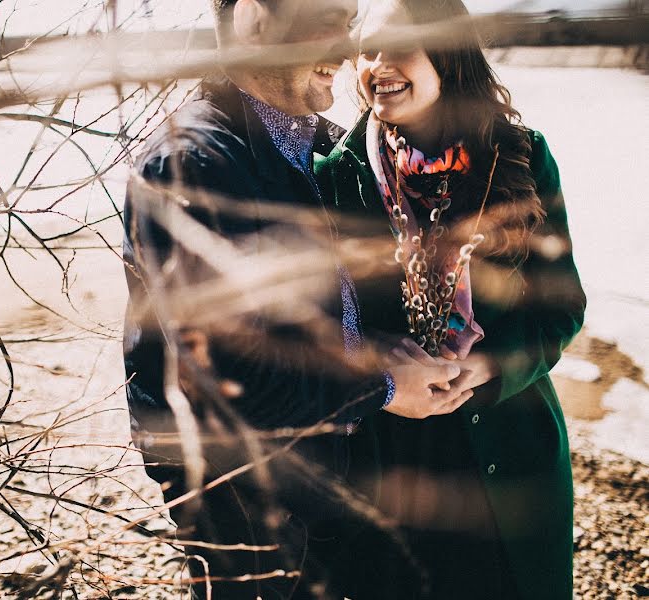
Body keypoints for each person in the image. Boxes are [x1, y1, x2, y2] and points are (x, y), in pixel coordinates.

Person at [122, 0, 464, 597]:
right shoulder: (192, 163)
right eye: (329, 19)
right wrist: (385, 388)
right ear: (254, 15)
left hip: (326, 445)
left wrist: (379, 345)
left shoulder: (323, 146)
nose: (346, 45)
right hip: (235, 476)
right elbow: (227, 383)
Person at [315, 1, 587, 598]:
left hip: (509, 451)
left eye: (399, 45)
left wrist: (491, 366)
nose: (377, 65)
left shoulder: (520, 156)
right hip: (392, 463)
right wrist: (377, 364)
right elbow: (319, 323)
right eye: (366, 49)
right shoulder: (336, 175)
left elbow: (562, 307)